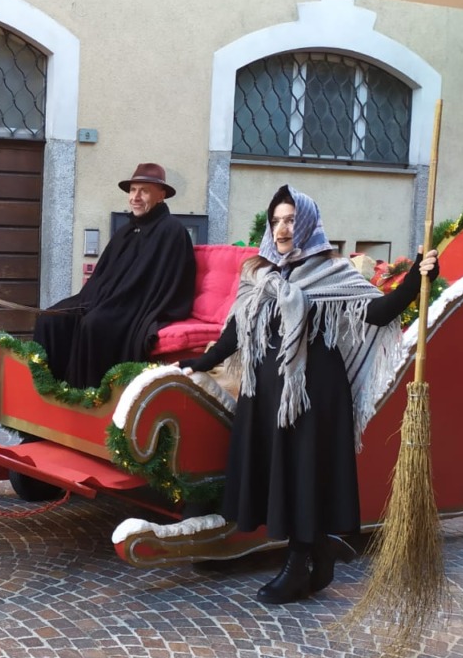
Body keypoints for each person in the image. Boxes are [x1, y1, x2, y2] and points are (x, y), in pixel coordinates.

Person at [180, 185, 437, 604]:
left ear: (308, 224)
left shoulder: (331, 271)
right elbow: (236, 332)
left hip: (314, 393)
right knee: (281, 472)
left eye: (290, 220)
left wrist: (418, 280)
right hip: (265, 394)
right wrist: (201, 362)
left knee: (303, 474)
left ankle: (298, 565)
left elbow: (378, 313)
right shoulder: (258, 273)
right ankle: (320, 550)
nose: (282, 228)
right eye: (277, 220)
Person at [33, 163, 196, 388]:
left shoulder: (172, 230)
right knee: (50, 318)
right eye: (132, 190)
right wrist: (91, 302)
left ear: (161, 196)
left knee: (93, 324)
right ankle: (51, 389)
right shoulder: (126, 231)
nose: (135, 197)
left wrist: (110, 303)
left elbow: (159, 283)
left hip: (138, 305)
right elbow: (102, 276)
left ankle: (87, 395)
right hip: (107, 300)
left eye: (144, 191)